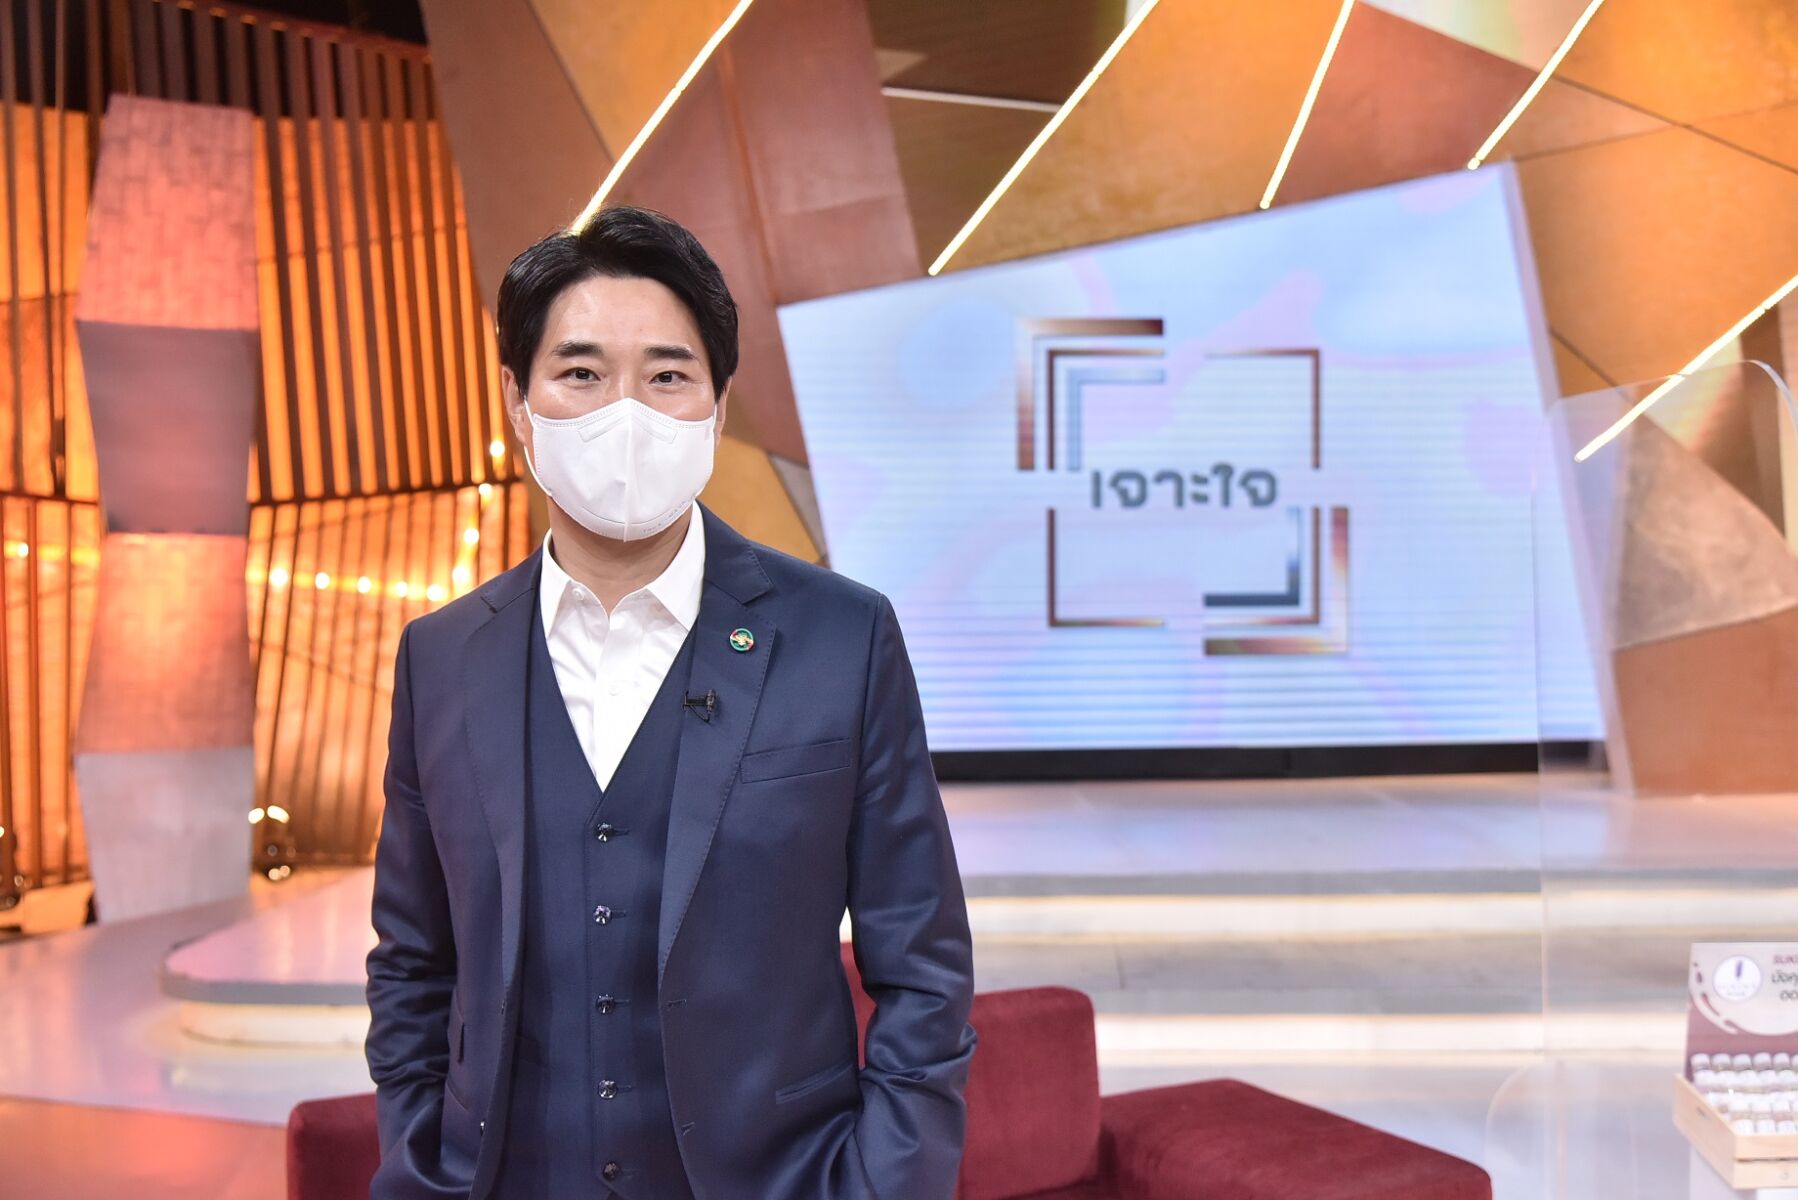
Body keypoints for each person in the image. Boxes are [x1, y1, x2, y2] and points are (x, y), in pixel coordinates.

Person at [364, 205, 977, 1200]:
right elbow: (412, 961)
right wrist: (421, 1159)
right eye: (580, 374)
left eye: (666, 375)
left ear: (717, 407)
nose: (625, 412)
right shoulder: (441, 657)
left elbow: (924, 964)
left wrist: (882, 1184)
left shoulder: (842, 637)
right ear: (518, 402)